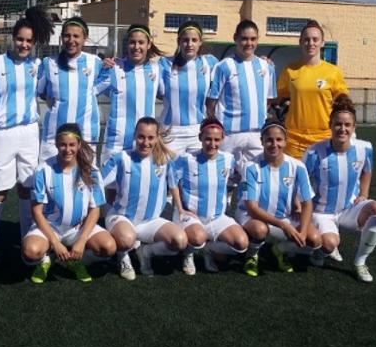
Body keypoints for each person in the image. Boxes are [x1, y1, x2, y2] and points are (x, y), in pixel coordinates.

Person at [0, 5, 53, 268]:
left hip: (30, 133)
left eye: (29, 41)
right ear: (13, 38)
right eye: (20, 39)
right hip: (3, 134)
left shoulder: (38, 65)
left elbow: (46, 92)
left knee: (27, 189)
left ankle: (25, 243)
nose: (24, 44)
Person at [303, 94, 376, 283]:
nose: (343, 129)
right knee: (329, 243)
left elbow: (367, 170)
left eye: (347, 125)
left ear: (354, 127)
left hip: (349, 208)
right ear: (330, 125)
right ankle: (319, 253)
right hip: (322, 211)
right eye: (338, 124)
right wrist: (303, 210)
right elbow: (301, 181)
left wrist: (364, 194)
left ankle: (360, 262)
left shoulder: (365, 148)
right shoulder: (314, 151)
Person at [21, 124, 116, 284]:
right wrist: (55, 243)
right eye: (63, 144)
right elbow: (36, 211)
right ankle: (46, 259)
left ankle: (76, 261)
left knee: (109, 248)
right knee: (30, 253)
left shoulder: (91, 170)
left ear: (79, 144)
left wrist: (82, 240)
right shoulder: (43, 170)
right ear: (56, 144)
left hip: (78, 228)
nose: (67, 149)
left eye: (72, 145)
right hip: (51, 228)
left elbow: (95, 210)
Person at [102, 117, 187, 280]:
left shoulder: (164, 161)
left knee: (180, 241)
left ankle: (145, 252)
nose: (145, 142)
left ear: (157, 138)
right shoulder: (121, 159)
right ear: (134, 135)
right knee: (127, 239)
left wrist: (181, 209)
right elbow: (97, 185)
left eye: (150, 138)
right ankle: (123, 257)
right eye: (141, 136)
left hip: (150, 221)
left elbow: (173, 185)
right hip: (122, 218)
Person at [236, 119, 321, 277]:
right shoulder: (250, 167)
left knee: (314, 240)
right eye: (269, 140)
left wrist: (302, 231)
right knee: (260, 230)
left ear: (285, 141)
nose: (274, 144)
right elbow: (252, 208)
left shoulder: (298, 166)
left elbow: (307, 202)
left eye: (279, 139)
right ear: (262, 141)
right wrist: (283, 225)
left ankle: (279, 250)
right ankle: (252, 255)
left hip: (284, 217)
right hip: (253, 217)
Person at [168, 117, 249, 275]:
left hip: (217, 217)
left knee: (242, 243)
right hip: (191, 216)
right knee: (198, 238)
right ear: (200, 138)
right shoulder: (185, 159)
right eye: (208, 139)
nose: (212, 144)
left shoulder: (228, 159)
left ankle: (210, 250)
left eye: (216, 140)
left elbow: (237, 178)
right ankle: (188, 254)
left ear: (222, 139)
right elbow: (172, 183)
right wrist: (180, 209)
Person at [206, 19, 277, 170]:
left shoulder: (267, 68)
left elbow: (269, 100)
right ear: (235, 39)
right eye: (244, 39)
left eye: (253, 39)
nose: (248, 43)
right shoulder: (223, 66)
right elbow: (211, 102)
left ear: (258, 40)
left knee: (255, 177)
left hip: (257, 135)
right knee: (226, 179)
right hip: (230, 135)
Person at [276, 20, 349, 160]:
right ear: (300, 42)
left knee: (324, 181)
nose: (311, 43)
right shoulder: (290, 70)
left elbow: (344, 106)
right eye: (306, 40)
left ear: (322, 42)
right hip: (294, 141)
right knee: (296, 181)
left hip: (324, 138)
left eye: (315, 39)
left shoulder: (333, 72)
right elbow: (276, 98)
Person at [38, 17, 103, 162]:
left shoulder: (95, 62)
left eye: (76, 36)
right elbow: (41, 92)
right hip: (54, 133)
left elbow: (102, 85)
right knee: (51, 178)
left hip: (85, 134)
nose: (71, 40)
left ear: (84, 39)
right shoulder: (49, 63)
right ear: (61, 38)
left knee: (83, 180)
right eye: (67, 35)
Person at [96, 24, 165, 163]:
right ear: (127, 44)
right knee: (111, 184)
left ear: (149, 44)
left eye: (141, 42)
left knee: (141, 183)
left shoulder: (157, 69)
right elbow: (89, 92)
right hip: (116, 143)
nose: (136, 46)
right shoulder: (114, 68)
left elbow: (167, 95)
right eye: (132, 42)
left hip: (145, 143)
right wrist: (101, 68)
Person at [159, 21, 218, 156]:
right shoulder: (165, 63)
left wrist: (264, 62)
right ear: (179, 41)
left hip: (198, 132)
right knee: (168, 175)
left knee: (196, 175)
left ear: (200, 42)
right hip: (170, 132)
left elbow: (231, 75)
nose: (189, 44)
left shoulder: (210, 62)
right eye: (185, 40)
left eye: (194, 40)